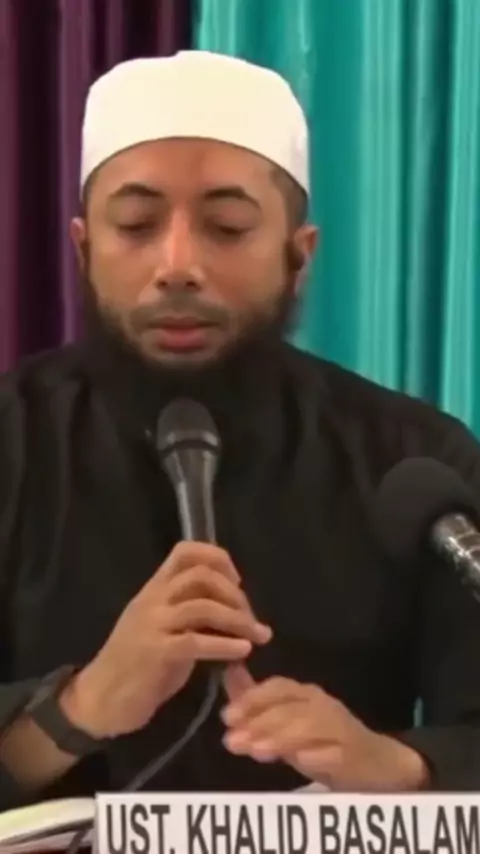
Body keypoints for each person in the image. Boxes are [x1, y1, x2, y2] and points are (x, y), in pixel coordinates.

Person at [1, 50, 480, 810]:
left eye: (226, 228)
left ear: (299, 257)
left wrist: (398, 768)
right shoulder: (12, 443)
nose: (178, 264)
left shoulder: (413, 467)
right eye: (137, 225)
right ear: (84, 249)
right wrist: (78, 709)